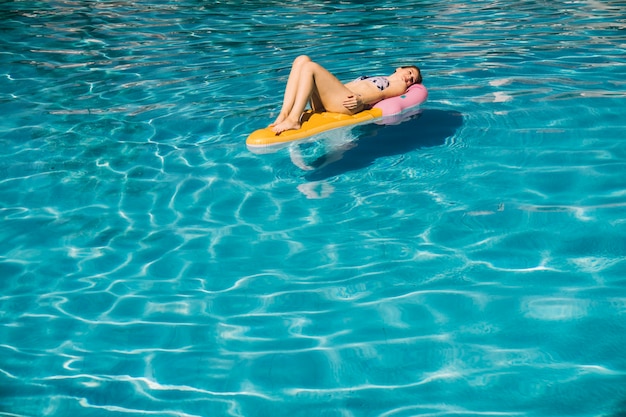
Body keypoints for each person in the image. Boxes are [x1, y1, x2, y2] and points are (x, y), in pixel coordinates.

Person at [270, 55, 422, 134]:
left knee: (310, 67)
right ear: (399, 68)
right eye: (409, 72)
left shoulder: (399, 85)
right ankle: (284, 114)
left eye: (412, 80)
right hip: (334, 101)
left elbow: (384, 94)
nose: (409, 78)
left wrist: (361, 100)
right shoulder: (380, 76)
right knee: (301, 60)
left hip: (349, 104)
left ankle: (294, 120)